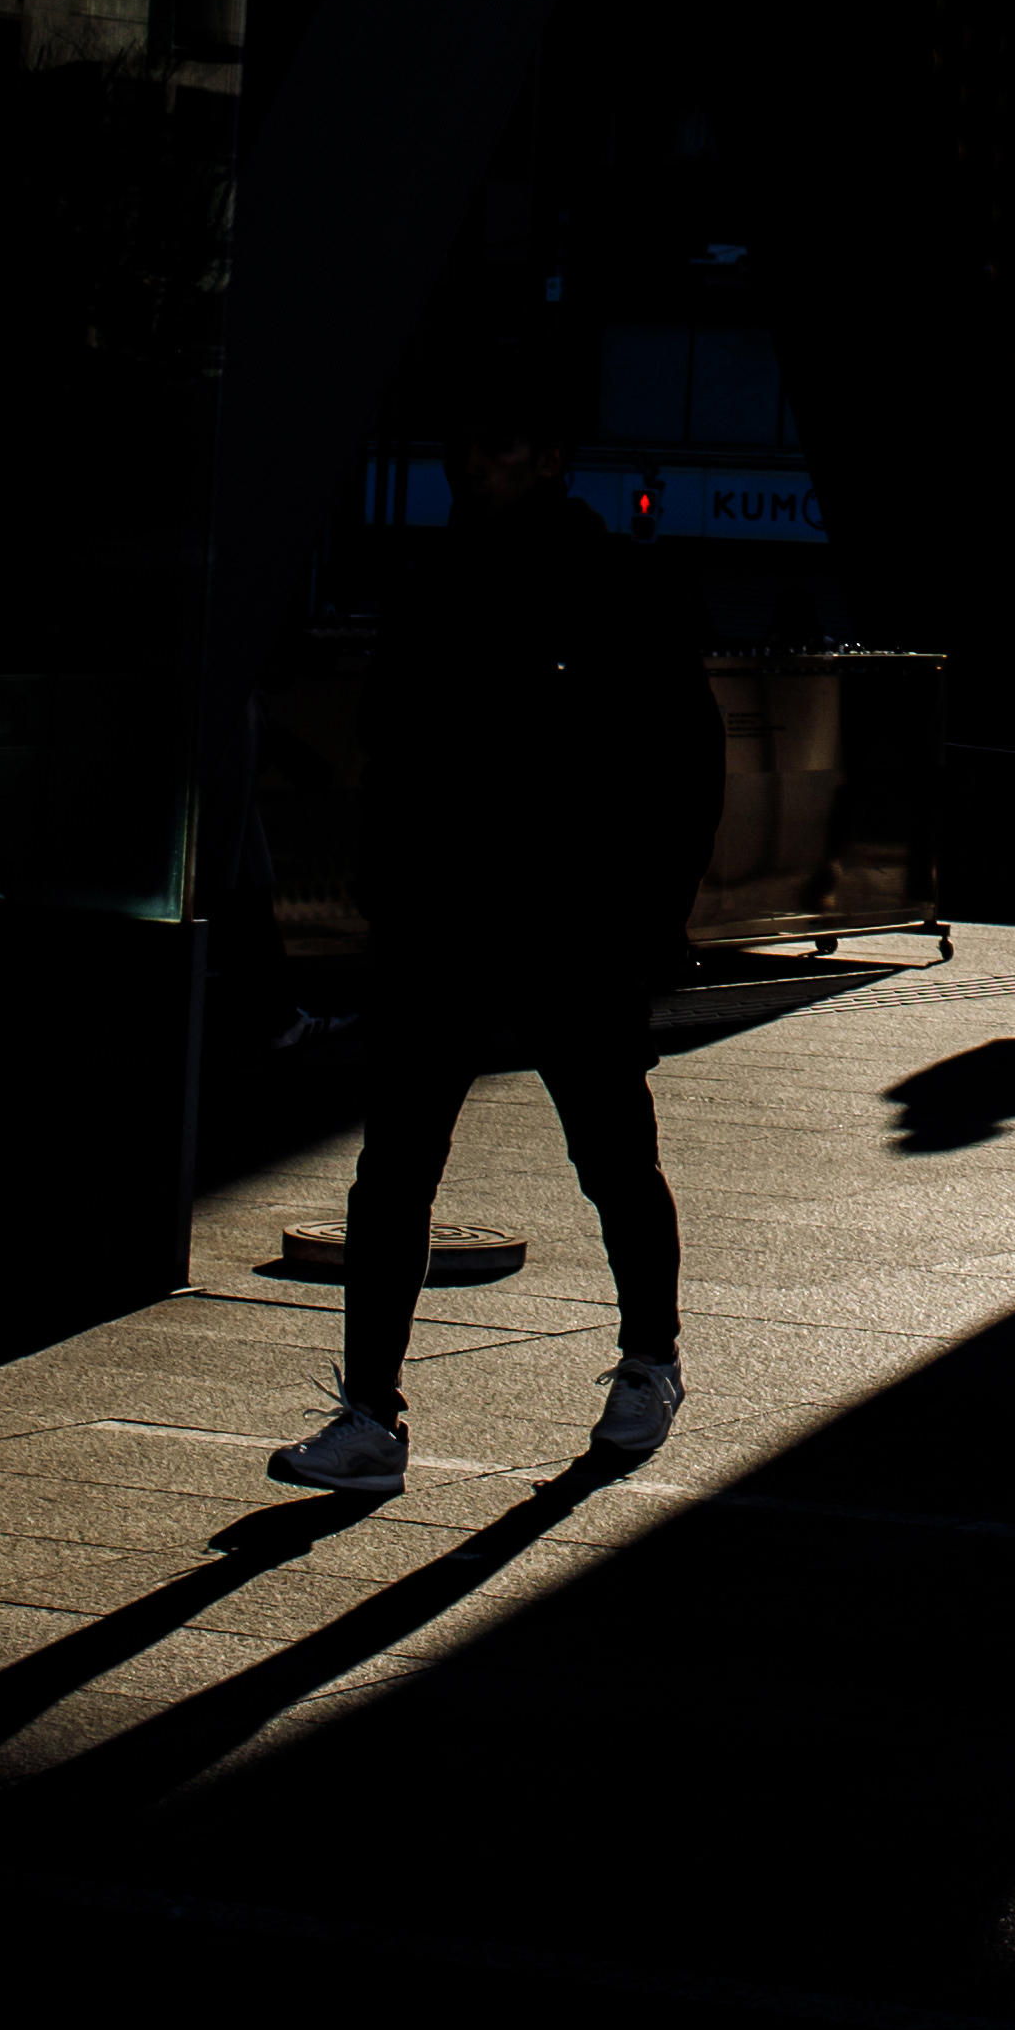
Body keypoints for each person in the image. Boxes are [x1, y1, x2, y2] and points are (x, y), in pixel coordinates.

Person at [272, 366, 725, 1500]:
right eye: (466, 447)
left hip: (564, 916)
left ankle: (648, 1356)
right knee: (401, 1169)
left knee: (606, 1152)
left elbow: (681, 763)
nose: (472, 465)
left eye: (498, 448)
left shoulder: (605, 586)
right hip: (456, 914)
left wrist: (650, 916)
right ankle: (373, 1408)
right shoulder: (442, 580)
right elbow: (392, 744)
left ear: (550, 460)